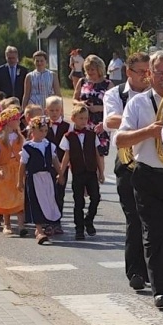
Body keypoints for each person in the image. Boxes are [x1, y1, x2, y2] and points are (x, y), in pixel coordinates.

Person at [118, 51, 163, 308]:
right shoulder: (137, 103)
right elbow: (120, 140)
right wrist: (149, 131)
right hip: (146, 174)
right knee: (152, 233)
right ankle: (159, 289)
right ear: (150, 74)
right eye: (160, 73)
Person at [104, 52, 151, 291]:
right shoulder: (116, 94)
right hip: (128, 163)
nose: (146, 76)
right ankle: (136, 271)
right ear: (128, 72)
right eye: (141, 71)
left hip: (155, 162)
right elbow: (111, 121)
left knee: (156, 220)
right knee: (134, 217)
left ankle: (154, 268)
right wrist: (139, 121)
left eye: (148, 70)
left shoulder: (157, 93)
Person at [58, 101, 104, 241]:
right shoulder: (68, 136)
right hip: (78, 172)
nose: (84, 121)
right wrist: (61, 173)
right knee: (78, 202)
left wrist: (101, 172)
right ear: (73, 119)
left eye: (86, 118)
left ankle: (88, 220)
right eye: (81, 118)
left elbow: (97, 154)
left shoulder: (92, 135)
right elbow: (66, 156)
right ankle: (79, 229)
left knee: (95, 197)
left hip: (91, 172)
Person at [22, 116, 65, 245]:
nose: (44, 133)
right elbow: (22, 165)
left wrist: (60, 174)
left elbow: (55, 161)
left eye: (45, 131)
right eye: (41, 130)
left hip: (47, 177)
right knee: (35, 201)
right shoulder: (28, 147)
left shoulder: (49, 146)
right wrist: (20, 181)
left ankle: (48, 225)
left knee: (49, 201)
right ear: (33, 131)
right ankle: (39, 230)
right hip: (34, 178)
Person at [0, 108, 27, 235]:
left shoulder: (19, 137)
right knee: (6, 197)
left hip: (17, 169)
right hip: (5, 170)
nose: (18, 122)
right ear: (8, 122)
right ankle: (7, 224)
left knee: (20, 197)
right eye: (15, 120)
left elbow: (24, 153)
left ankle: (21, 226)